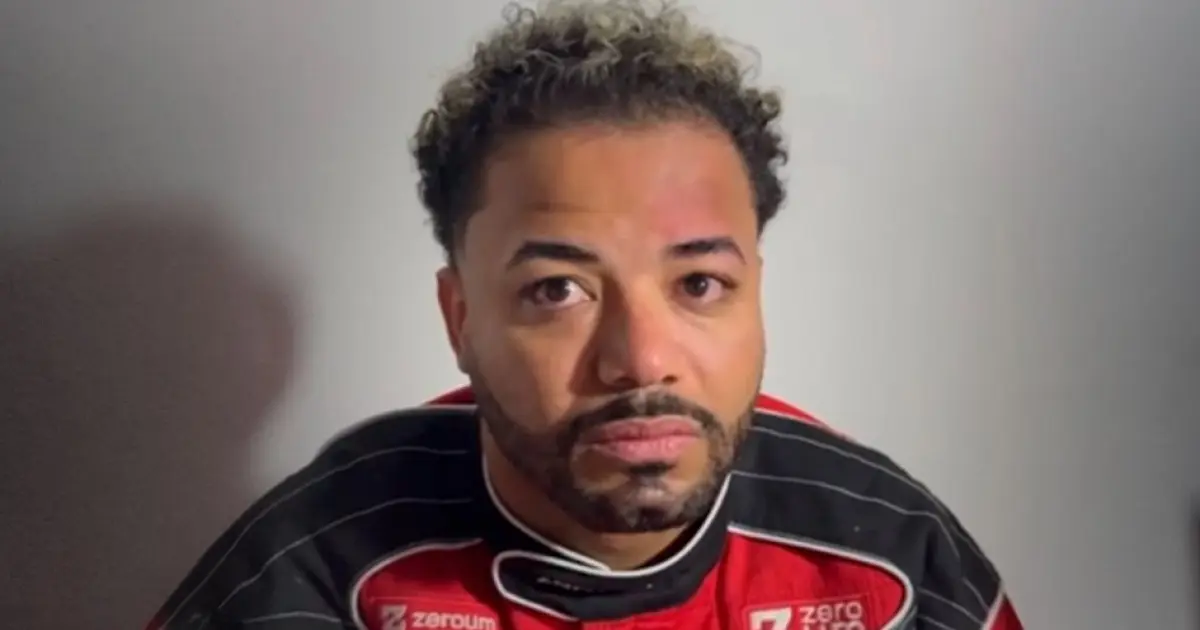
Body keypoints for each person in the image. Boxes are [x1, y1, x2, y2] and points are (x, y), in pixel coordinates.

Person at [147, 1, 1024, 628]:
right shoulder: (320, 562)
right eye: (558, 290)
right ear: (460, 319)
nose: (641, 360)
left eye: (699, 284)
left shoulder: (889, 557)